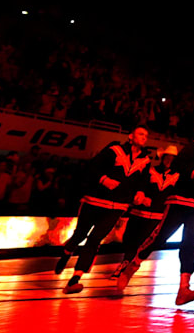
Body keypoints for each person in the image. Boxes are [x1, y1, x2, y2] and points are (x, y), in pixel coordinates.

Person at [118, 115, 194, 304]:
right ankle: (133, 265)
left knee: (191, 244)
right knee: (159, 238)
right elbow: (180, 164)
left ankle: (183, 289)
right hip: (181, 200)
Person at [55, 126, 151, 293]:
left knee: (95, 239)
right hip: (94, 200)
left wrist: (141, 192)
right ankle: (66, 253)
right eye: (141, 134)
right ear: (130, 136)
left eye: (146, 136)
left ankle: (75, 278)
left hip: (117, 206)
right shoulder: (114, 150)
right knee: (80, 234)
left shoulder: (145, 160)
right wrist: (103, 179)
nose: (144, 138)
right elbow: (92, 168)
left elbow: (142, 182)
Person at [110, 145, 179, 279]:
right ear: (162, 157)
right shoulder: (150, 170)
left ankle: (126, 266)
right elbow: (139, 185)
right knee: (129, 239)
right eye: (167, 157)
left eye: (172, 158)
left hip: (157, 216)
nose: (169, 160)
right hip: (139, 211)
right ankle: (126, 263)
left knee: (142, 242)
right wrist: (141, 195)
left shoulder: (177, 176)